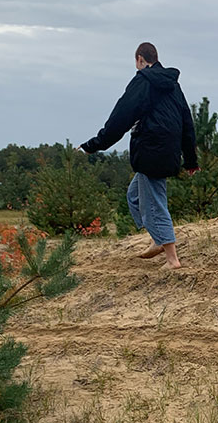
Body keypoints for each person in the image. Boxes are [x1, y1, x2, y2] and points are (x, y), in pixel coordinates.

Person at [79, 42, 197, 269]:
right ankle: (157, 239)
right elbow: (187, 122)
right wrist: (190, 158)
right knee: (134, 196)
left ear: (141, 59)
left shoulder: (142, 81)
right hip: (168, 151)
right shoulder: (174, 86)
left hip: (151, 150)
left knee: (155, 202)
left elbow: (120, 118)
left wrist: (94, 145)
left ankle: (172, 258)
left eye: (136, 62)